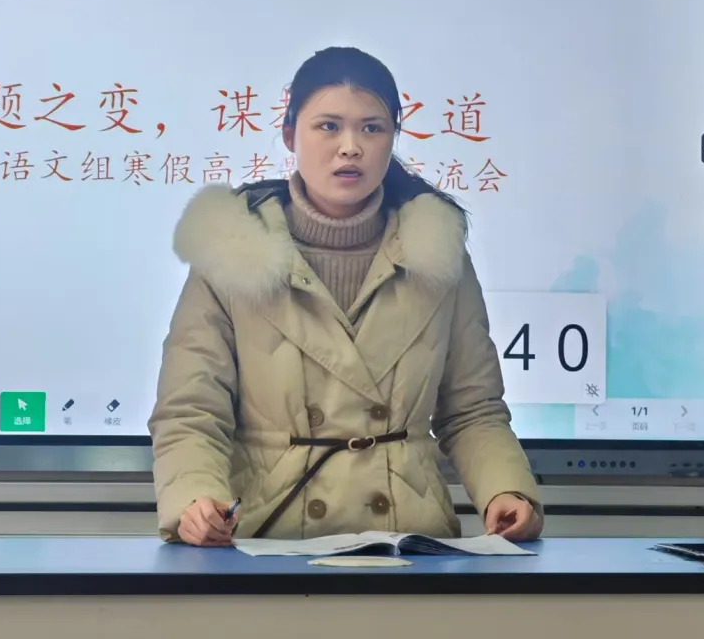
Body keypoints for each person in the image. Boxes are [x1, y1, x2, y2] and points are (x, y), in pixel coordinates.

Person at [147, 46, 543, 547]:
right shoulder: (230, 253)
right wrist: (195, 499)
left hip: (409, 545)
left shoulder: (436, 254)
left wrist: (506, 491)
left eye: (372, 128)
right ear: (290, 135)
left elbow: (473, 409)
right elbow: (190, 411)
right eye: (328, 126)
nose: (350, 147)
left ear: (393, 138)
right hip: (270, 544)